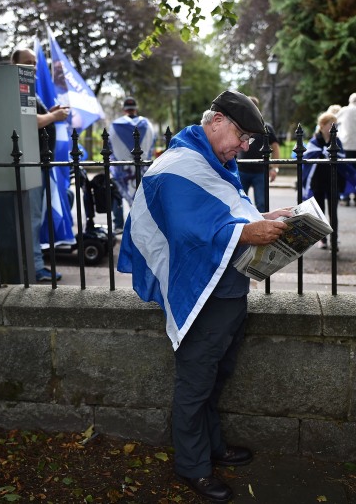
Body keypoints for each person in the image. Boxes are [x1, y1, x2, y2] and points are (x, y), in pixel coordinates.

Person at [117, 90, 292, 503]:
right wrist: (249, 232)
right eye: (242, 136)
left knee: (216, 376)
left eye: (250, 141)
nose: (243, 148)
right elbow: (187, 231)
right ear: (215, 121)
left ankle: (213, 447)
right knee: (196, 381)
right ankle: (193, 466)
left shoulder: (212, 161)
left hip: (225, 291)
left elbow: (223, 214)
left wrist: (263, 218)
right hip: (202, 293)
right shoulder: (179, 165)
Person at [11, 48, 70, 282]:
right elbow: (27, 120)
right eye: (27, 62)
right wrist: (53, 117)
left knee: (36, 216)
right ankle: (35, 267)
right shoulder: (17, 88)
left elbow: (36, 116)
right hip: (32, 164)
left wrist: (51, 112)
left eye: (35, 62)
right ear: (13, 64)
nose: (33, 67)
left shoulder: (28, 89)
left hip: (40, 163)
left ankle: (35, 263)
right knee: (33, 218)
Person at [297, 111, 356, 249]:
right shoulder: (314, 141)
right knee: (320, 212)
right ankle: (323, 239)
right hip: (318, 182)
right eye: (331, 124)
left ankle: (334, 239)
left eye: (336, 124)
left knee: (334, 213)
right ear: (322, 125)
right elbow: (309, 159)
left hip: (334, 181)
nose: (334, 127)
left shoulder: (337, 141)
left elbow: (342, 159)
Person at [109, 97, 155, 232]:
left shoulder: (114, 126)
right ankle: (142, 224)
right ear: (136, 109)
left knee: (117, 194)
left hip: (121, 169)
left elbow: (109, 148)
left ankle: (118, 225)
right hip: (142, 167)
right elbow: (151, 146)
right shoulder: (147, 124)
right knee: (142, 196)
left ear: (124, 110)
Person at [236, 96, 279, 212]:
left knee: (262, 204)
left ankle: (263, 228)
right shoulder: (240, 125)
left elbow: (275, 147)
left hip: (260, 172)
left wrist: (275, 168)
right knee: (239, 203)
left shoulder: (266, 127)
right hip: (241, 170)